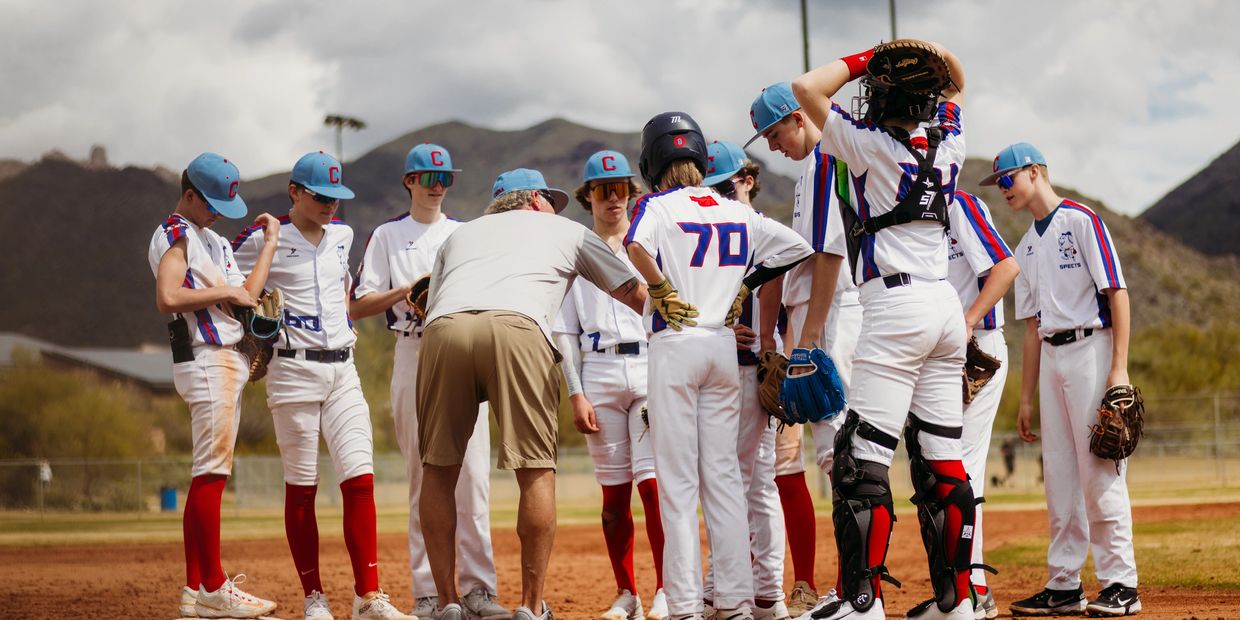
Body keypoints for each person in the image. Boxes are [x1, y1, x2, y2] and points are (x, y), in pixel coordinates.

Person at [790, 39, 974, 620]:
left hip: (894, 309)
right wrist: (936, 53)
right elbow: (959, 84)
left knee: (860, 461)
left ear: (884, 92)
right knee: (943, 460)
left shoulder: (866, 145)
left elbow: (805, 88)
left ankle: (860, 602)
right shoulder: (949, 143)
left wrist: (869, 56)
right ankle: (959, 602)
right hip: (946, 308)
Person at [416, 168, 648, 620]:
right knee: (535, 471)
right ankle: (529, 606)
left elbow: (432, 304)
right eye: (552, 201)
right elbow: (635, 292)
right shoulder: (564, 229)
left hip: (444, 331)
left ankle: (446, 602)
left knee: (438, 470)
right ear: (538, 200)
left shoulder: (461, 234)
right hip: (519, 327)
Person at [624, 112, 813, 620]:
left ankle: (685, 605)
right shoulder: (735, 211)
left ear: (651, 161)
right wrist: (747, 285)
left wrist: (660, 288)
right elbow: (797, 248)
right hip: (722, 349)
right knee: (726, 479)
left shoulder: (658, 205)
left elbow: (633, 243)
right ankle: (735, 601)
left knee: (680, 482)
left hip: (678, 345)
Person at [232, 151, 413, 620]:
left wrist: (401, 292)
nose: (330, 204)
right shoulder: (261, 238)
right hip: (291, 370)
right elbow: (227, 286)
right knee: (303, 486)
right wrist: (249, 327)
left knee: (360, 480)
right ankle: (314, 597)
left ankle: (368, 596)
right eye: (320, 195)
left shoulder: (343, 236)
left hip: (343, 368)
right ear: (294, 192)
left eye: (336, 196)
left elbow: (347, 302)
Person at [349, 143, 508, 620]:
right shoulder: (388, 235)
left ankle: (479, 588)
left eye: (445, 177)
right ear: (409, 181)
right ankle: (430, 593)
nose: (438, 184)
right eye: (428, 176)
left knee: (474, 477)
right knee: (423, 476)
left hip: (463, 348)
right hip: (413, 347)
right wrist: (408, 289)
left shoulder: (464, 233)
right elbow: (358, 304)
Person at [984, 142, 1140, 617]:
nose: (1003, 189)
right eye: (999, 184)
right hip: (1051, 357)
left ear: (1034, 171)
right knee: (1059, 476)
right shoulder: (1025, 246)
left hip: (1092, 348)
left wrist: (1119, 367)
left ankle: (1121, 583)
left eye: (1007, 179)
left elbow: (1117, 292)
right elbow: (1031, 327)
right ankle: (1064, 584)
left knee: (1098, 469)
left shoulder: (1081, 220)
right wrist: (1026, 397)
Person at [746, 82, 864, 616]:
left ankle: (853, 586)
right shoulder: (809, 172)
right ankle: (849, 585)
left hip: (830, 316)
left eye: (775, 133)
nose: (773, 146)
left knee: (842, 455)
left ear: (799, 117)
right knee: (833, 456)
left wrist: (810, 337)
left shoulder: (824, 163)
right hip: (815, 317)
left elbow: (830, 253)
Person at [149, 152, 280, 619]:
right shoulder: (177, 233)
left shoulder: (212, 239)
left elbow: (246, 295)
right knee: (212, 475)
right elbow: (168, 297)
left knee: (206, 473)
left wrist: (268, 245)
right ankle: (213, 586)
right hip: (206, 359)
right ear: (188, 194)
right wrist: (225, 292)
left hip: (226, 360)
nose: (219, 213)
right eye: (211, 204)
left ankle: (194, 589)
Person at [554, 150, 669, 620]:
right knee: (613, 496)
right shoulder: (575, 249)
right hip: (598, 368)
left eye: (621, 187)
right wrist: (575, 391)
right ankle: (627, 592)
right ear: (588, 197)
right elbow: (565, 332)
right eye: (603, 190)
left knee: (652, 487)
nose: (614, 197)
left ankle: (666, 588)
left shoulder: (648, 244)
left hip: (646, 364)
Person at [698, 140, 790, 620]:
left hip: (755, 366)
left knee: (751, 482)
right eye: (710, 186)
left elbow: (780, 285)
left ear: (748, 180)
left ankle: (764, 590)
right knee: (731, 480)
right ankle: (730, 584)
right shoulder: (709, 233)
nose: (719, 194)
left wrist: (770, 342)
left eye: (725, 184)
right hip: (719, 366)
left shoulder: (763, 232)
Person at [945, 190, 1019, 619]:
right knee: (939, 468)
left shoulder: (959, 203)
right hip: (939, 353)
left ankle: (972, 585)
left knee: (962, 468)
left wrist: (968, 321)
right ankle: (957, 584)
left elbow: (1006, 267)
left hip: (978, 352)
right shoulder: (907, 207)